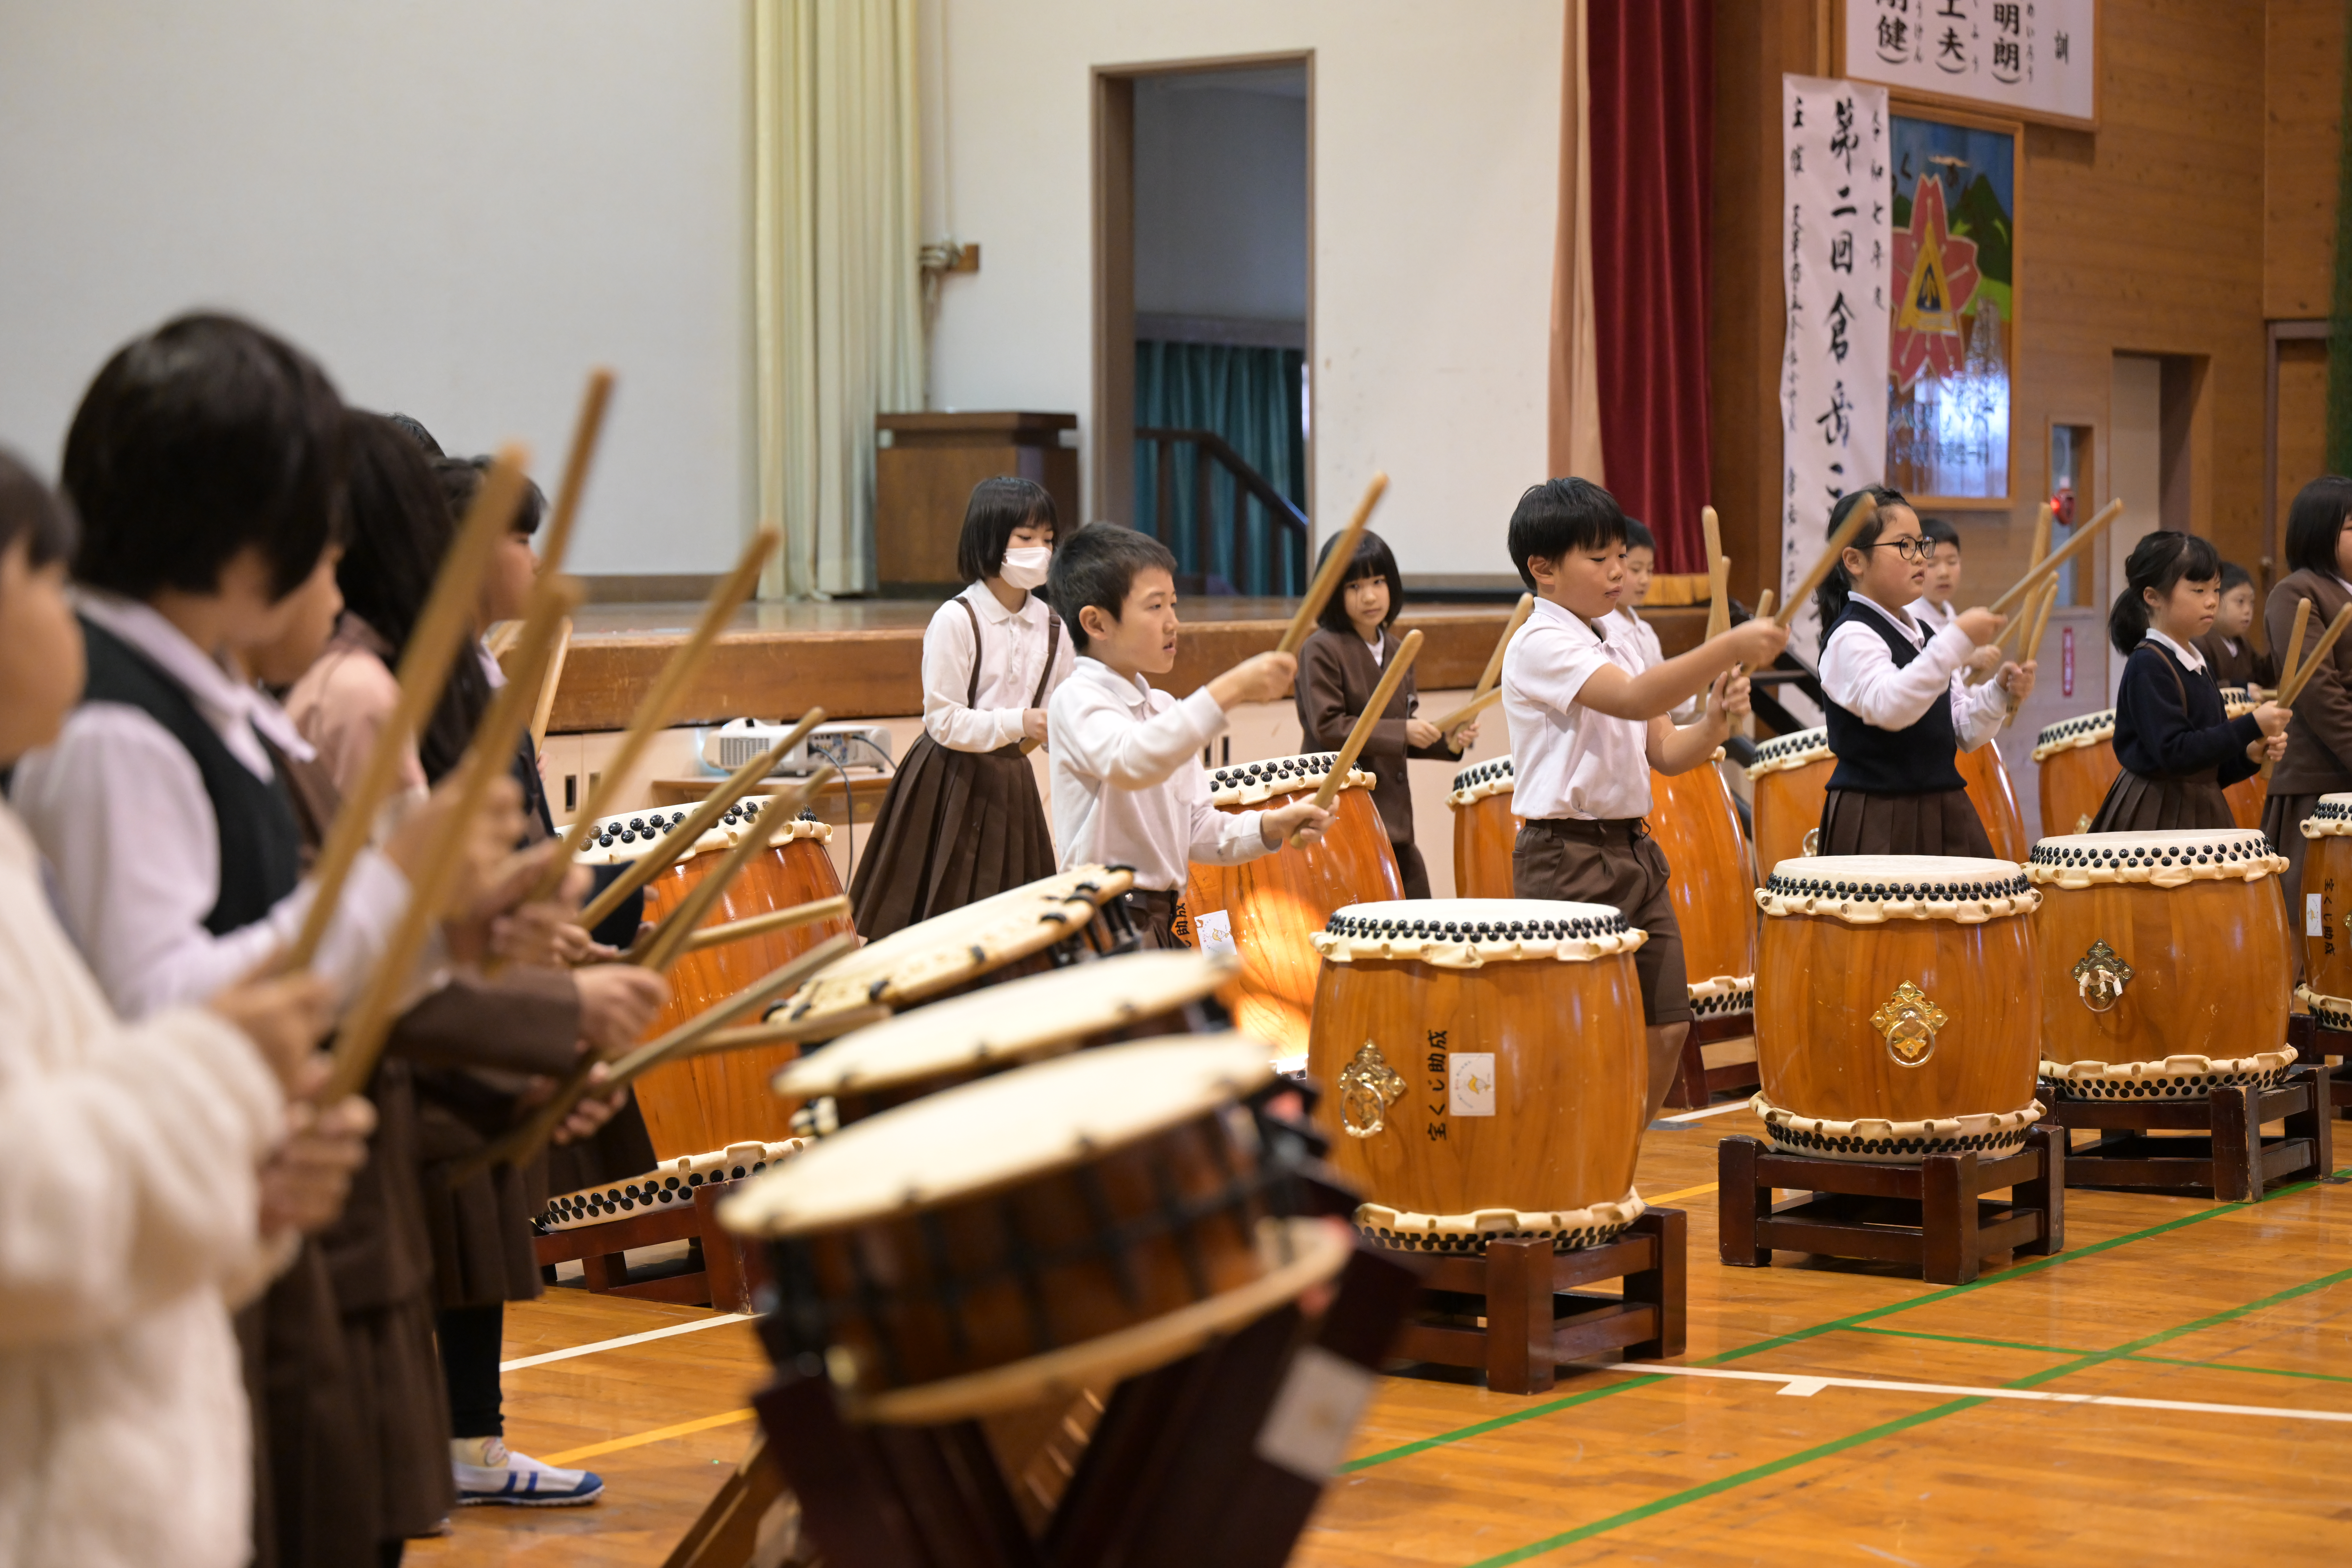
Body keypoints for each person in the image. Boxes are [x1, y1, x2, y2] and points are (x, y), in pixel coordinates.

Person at [8, 314, 514, 1567]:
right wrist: (395, 891)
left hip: (230, 1211)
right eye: (32, 574)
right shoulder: (119, 730)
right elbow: (162, 1005)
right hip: (121, 1306)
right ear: (250, 542)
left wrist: (443, 923)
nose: (338, 566)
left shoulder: (203, 703)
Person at [0, 446, 370, 1568]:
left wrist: (244, 1187)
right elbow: (24, 1209)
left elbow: (79, 1110)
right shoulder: (119, 732)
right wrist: (217, 1075)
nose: (74, 624)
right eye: (45, 587)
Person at [297, 415, 666, 1514]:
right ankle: (448, 1440)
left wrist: (529, 924)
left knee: (446, 1243)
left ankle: (452, 1438)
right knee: (419, 1248)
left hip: (433, 999)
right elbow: (383, 906)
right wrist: (521, 972)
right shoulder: (366, 688)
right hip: (385, 1035)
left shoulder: (405, 672)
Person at [1498, 478, 1786, 1125]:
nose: (1617, 570)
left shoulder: (1619, 636)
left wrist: (1714, 724)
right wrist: (1729, 646)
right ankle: (1570, 1163)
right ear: (1542, 569)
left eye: (1619, 556)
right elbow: (1634, 700)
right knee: (1576, 1035)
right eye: (1597, 559)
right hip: (1564, 858)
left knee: (1666, 1028)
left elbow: (1664, 749)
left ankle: (1615, 1157)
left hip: (1632, 850)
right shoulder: (1540, 641)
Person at [1045, 523, 1330, 948]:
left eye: (1173, 604)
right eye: (1155, 606)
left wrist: (1270, 826)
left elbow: (1199, 829)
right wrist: (1233, 687)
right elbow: (1131, 760)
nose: (1173, 623)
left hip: (1161, 919)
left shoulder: (1163, 708)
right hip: (1105, 924)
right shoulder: (1075, 699)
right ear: (1096, 623)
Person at [851, 476, 1073, 938]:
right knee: (934, 926)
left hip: (1012, 782)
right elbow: (943, 720)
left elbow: (1063, 717)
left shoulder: (1054, 627)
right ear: (990, 538)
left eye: (1049, 539)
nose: (1042, 550)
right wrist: (1022, 721)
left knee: (1014, 933)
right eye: (1026, 538)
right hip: (946, 780)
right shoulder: (956, 618)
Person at [1811, 486, 2033, 856]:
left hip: (1943, 807)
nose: (1921, 560)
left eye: (1920, 545)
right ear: (1854, 561)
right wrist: (1957, 641)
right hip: (1879, 818)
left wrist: (1999, 693)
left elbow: (1962, 729)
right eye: (1904, 546)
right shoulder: (1850, 636)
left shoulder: (1925, 633)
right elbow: (1890, 706)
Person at [1294, 528, 1474, 899]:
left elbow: (1401, 735)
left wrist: (1448, 741)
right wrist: (1405, 732)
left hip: (1395, 821)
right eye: (1355, 586)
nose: (1370, 595)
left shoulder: (1397, 647)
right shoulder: (1320, 649)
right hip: (1342, 816)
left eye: (1378, 581)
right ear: (1331, 591)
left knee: (1419, 918)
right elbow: (1328, 727)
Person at [2087, 532, 2287, 832]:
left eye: (2216, 590)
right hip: (2155, 815)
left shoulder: (2195, 663)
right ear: (2152, 596)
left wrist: (2249, 755)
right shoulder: (2149, 665)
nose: (2211, 601)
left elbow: (2209, 770)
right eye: (2198, 590)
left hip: (2200, 808)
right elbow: (2176, 753)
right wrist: (2251, 725)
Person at [2260, 475, 2352, 931]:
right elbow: (2319, 691)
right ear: (2320, 531)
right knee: (2315, 924)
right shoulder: (2297, 592)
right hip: (2318, 783)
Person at [1614, 518, 1698, 724]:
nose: (1645, 579)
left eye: (1650, 570)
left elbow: (1665, 691)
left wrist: (1703, 704)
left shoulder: (1646, 631)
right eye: (1636, 570)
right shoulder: (1602, 629)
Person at [2195, 560, 2279, 690]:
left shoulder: (2242, 643)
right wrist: (2241, 688)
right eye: (2240, 602)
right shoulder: (2200, 642)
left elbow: (2261, 680)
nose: (2248, 610)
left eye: (2251, 603)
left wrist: (2280, 650)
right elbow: (2202, 688)